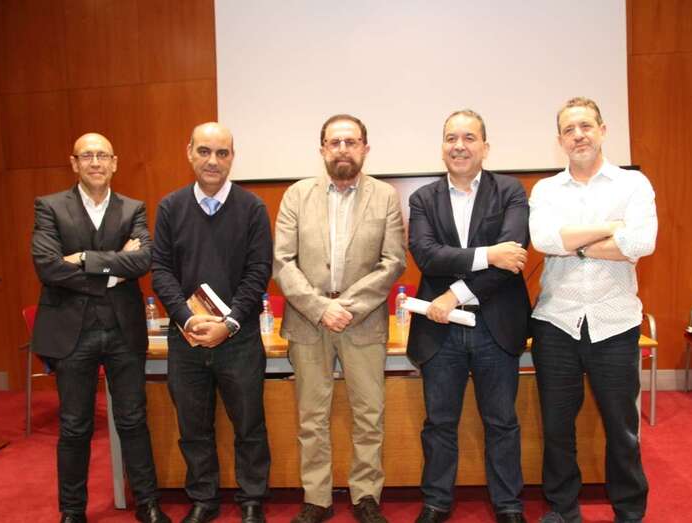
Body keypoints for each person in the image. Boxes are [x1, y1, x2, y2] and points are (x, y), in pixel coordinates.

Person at [529, 97, 656, 523]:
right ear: (560, 140)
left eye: (586, 126)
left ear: (602, 130)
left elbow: (642, 244)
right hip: (556, 323)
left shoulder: (633, 185)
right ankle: (563, 509)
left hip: (615, 323)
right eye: (569, 129)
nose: (578, 135)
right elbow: (545, 241)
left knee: (622, 428)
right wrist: (611, 229)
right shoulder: (546, 190)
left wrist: (576, 243)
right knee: (557, 428)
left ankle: (629, 511)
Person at [31, 133, 170, 523]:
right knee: (75, 426)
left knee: (133, 419)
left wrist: (83, 260)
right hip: (70, 332)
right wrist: (112, 270)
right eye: (87, 156)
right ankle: (72, 511)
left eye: (102, 155)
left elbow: (143, 261)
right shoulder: (50, 207)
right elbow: (48, 266)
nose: (95, 162)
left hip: (123, 330)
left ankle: (148, 504)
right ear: (74, 163)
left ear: (115, 162)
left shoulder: (133, 209)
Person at [274, 114, 406, 523]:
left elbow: (393, 261)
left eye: (351, 142)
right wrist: (319, 307)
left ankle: (366, 495)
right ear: (323, 150)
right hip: (308, 322)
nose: (343, 149)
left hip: (362, 323)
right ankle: (317, 498)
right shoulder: (297, 195)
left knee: (369, 414)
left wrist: (345, 306)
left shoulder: (384, 196)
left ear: (365, 147)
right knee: (312, 416)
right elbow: (282, 262)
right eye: (335, 142)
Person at [407, 110, 531, 523]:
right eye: (451, 138)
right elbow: (427, 255)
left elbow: (511, 260)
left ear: (485, 147)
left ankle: (509, 503)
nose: (459, 145)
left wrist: (456, 292)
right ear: (442, 146)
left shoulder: (510, 191)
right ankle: (437, 501)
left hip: (495, 324)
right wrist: (487, 254)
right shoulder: (423, 198)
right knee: (439, 422)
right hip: (440, 331)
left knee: (501, 421)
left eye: (469, 138)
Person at [152, 122, 272, 523]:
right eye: (204, 151)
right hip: (186, 338)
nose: (213, 161)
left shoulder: (252, 208)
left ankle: (252, 498)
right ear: (189, 152)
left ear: (232, 157)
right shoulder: (170, 207)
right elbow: (160, 270)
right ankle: (203, 498)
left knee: (249, 423)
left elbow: (259, 272)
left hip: (238, 339)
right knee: (192, 425)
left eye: (222, 153)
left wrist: (230, 323)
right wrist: (185, 319)